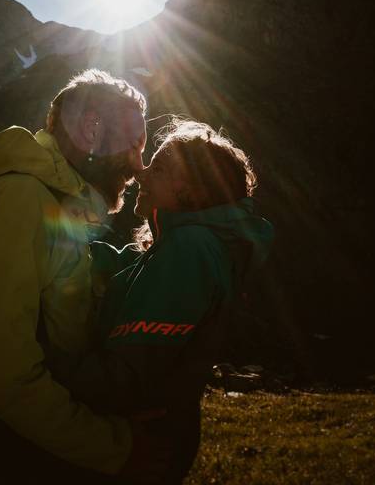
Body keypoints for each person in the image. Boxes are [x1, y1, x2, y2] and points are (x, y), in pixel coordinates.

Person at [0, 69, 165, 484]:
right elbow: (6, 376)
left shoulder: (56, 206)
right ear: (92, 129)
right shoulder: (21, 201)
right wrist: (115, 449)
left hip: (30, 451)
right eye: (135, 144)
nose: (139, 166)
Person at [48, 118, 274, 484]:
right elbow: (121, 266)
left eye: (161, 168)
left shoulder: (190, 249)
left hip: (142, 438)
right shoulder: (183, 246)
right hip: (160, 429)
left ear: (194, 193)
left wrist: (38, 360)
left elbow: (127, 376)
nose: (141, 175)